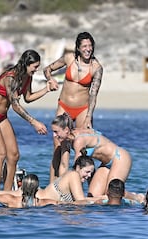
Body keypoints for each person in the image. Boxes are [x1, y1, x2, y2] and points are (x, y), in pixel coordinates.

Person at [0, 49, 59, 191]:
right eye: (34, 67)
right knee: (0, 153)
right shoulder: (11, 78)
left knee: (14, 155)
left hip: (1, 117)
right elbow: (15, 106)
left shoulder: (28, 77)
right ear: (26, 64)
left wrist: (46, 89)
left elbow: (28, 98)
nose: (36, 70)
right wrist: (34, 122)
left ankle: (7, 192)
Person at [43, 32, 103, 182]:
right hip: (64, 106)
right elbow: (47, 70)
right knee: (59, 148)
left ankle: (81, 188)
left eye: (90, 46)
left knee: (82, 151)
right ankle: (53, 186)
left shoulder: (96, 68)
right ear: (78, 47)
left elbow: (93, 95)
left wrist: (89, 116)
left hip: (83, 109)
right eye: (84, 46)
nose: (88, 49)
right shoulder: (69, 58)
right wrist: (51, 80)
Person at [51, 113, 132, 197]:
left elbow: (79, 168)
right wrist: (60, 189)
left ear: (66, 130)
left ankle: (137, 197)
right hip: (105, 164)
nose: (54, 135)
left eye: (56, 132)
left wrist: (75, 193)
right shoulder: (65, 141)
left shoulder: (78, 141)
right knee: (94, 197)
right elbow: (64, 165)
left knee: (112, 194)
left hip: (119, 158)